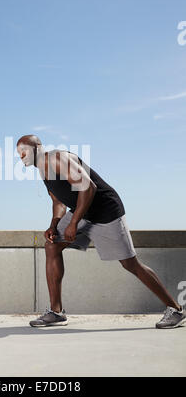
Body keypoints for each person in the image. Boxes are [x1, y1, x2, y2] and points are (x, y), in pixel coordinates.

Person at [16, 134, 186, 329]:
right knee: (51, 246)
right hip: (82, 213)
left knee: (130, 264)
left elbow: (88, 187)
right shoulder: (42, 171)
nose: (21, 156)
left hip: (106, 212)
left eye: (24, 151)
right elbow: (58, 202)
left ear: (38, 147)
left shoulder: (57, 159)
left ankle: (176, 309)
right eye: (18, 153)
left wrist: (74, 223)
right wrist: (54, 225)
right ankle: (56, 312)